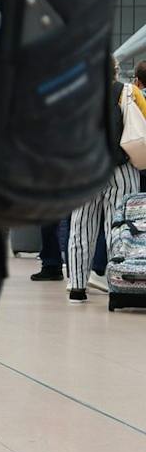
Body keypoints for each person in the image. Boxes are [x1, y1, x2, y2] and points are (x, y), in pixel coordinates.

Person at [65, 60, 143, 304]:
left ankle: (77, 287)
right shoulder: (129, 92)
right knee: (118, 229)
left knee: (80, 228)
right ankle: (117, 285)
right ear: (115, 71)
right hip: (121, 168)